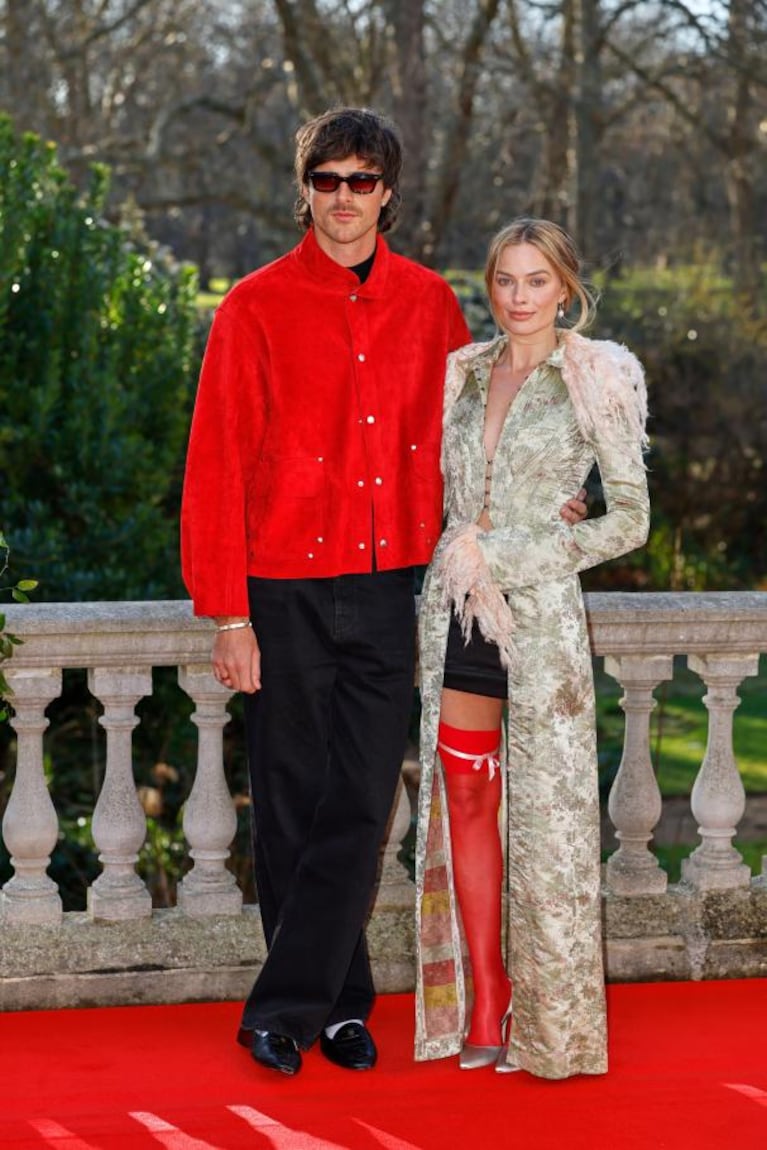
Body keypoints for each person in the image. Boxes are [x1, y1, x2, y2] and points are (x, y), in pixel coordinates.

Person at [181, 110, 586, 1078]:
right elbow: (215, 464)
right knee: (288, 806)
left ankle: (288, 1006)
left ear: (387, 192)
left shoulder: (428, 307)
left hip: (395, 585)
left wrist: (550, 497)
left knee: (360, 803)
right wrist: (227, 613)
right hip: (279, 589)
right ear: (304, 189)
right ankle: (338, 1006)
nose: (343, 198)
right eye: (326, 180)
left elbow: (474, 442)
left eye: (361, 181)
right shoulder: (252, 306)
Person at [413, 218, 650, 1079]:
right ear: (490, 286)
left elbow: (629, 517)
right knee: (466, 803)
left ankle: (554, 1024)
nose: (518, 298)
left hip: (541, 622)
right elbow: (435, 490)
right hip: (459, 622)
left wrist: (514, 551)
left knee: (547, 825)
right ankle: (485, 993)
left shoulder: (597, 377)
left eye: (536, 281)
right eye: (505, 281)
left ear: (566, 289)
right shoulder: (460, 376)